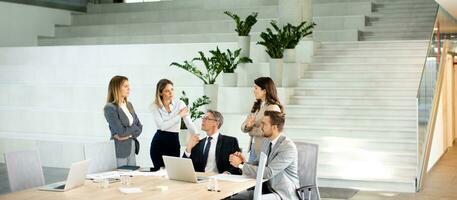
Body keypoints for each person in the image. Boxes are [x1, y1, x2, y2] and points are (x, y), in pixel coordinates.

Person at [230, 111, 299, 200]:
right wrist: (243, 161)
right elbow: (258, 164)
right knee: (234, 198)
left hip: (281, 192)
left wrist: (241, 165)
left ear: (274, 127)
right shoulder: (267, 141)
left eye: (264, 124)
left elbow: (268, 172)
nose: (260, 127)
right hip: (264, 188)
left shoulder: (288, 147)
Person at [150, 79, 197, 171]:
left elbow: (189, 122)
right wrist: (179, 115)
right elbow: (162, 126)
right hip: (158, 142)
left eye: (172, 89)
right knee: (158, 172)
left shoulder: (180, 104)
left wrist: (196, 135)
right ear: (160, 93)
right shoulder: (155, 106)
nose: (171, 93)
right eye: (167, 91)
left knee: (173, 171)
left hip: (173, 141)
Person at [183, 110, 241, 175]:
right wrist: (188, 148)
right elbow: (184, 167)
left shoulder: (230, 141)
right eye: (203, 118)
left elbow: (238, 164)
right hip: (200, 180)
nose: (203, 120)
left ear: (216, 123)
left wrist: (227, 173)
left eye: (207, 118)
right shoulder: (198, 143)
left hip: (221, 180)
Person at [103, 75, 143, 167]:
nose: (129, 89)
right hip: (119, 150)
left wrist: (127, 134)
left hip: (132, 148)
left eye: (128, 86)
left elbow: (140, 127)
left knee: (132, 178)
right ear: (116, 88)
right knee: (120, 178)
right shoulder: (110, 108)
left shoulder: (129, 105)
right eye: (125, 86)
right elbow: (121, 132)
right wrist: (132, 130)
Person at [241, 77, 283, 162]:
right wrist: (247, 126)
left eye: (256, 88)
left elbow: (268, 130)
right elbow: (243, 126)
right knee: (250, 174)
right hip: (253, 148)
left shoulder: (273, 107)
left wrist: (250, 129)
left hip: (264, 150)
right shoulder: (257, 106)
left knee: (259, 174)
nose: (254, 91)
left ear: (264, 91)